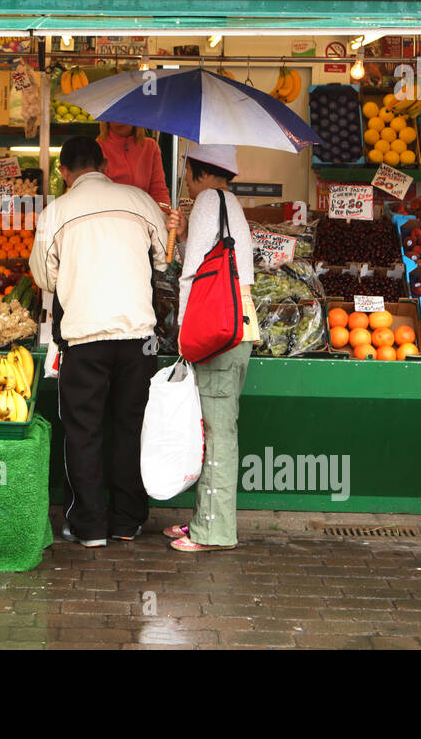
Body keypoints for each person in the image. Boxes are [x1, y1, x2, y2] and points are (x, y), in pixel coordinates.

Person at [30, 135, 169, 547]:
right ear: (105, 164)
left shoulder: (55, 212)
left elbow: (44, 278)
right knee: (130, 426)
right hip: (138, 338)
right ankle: (127, 522)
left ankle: (89, 527)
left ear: (63, 172)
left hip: (85, 337)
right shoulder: (141, 202)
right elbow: (163, 259)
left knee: (83, 430)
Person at [164, 144, 255, 552]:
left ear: (200, 171)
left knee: (218, 434)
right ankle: (204, 519)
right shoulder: (229, 203)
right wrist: (184, 235)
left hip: (216, 333)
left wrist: (185, 332)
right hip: (236, 329)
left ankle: (213, 532)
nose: (184, 178)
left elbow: (192, 276)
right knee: (215, 428)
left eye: (187, 170)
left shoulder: (206, 202)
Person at [98, 122, 171, 205]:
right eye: (113, 115)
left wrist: (165, 214)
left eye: (125, 111)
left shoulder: (150, 147)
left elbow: (159, 191)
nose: (118, 120)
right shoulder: (97, 148)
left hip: (144, 214)